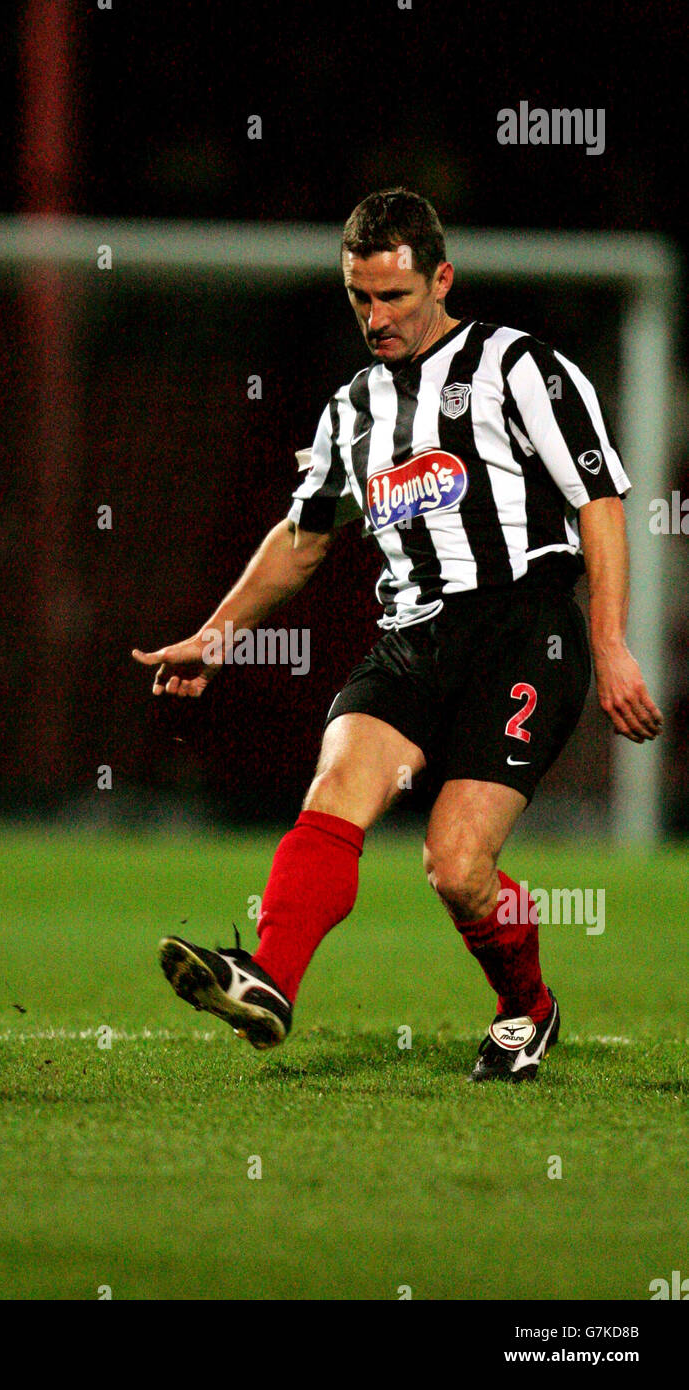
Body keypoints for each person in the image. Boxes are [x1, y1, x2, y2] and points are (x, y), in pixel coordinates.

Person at [133, 187, 662, 1082]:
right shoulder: (350, 411)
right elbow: (303, 543)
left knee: (456, 867)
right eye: (359, 299)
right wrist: (215, 634)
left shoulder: (518, 367)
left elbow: (599, 502)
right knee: (337, 784)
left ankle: (526, 1007)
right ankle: (270, 980)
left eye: (394, 298)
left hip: (524, 629)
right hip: (412, 636)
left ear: (441, 280)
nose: (375, 319)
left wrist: (609, 643)